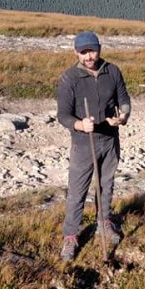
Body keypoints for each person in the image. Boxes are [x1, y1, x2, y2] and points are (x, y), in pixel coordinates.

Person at [56, 31, 131, 262]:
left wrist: (123, 116)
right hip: (83, 143)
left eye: (92, 50)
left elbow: (124, 100)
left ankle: (104, 221)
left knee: (106, 184)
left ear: (99, 48)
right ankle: (71, 235)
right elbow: (62, 115)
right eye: (83, 52)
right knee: (77, 191)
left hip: (109, 139)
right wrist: (79, 124)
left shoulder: (112, 71)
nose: (89, 56)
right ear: (76, 52)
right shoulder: (69, 78)